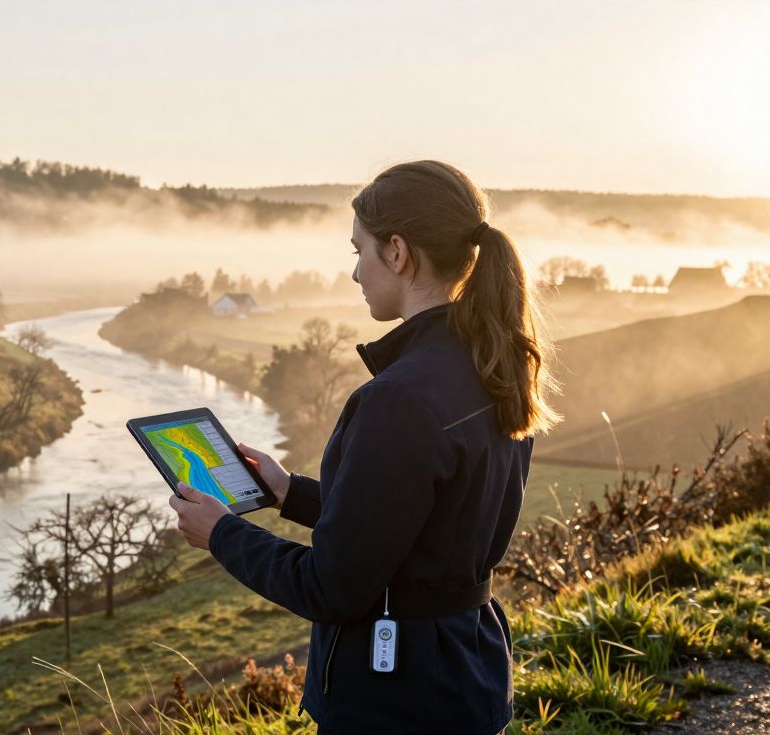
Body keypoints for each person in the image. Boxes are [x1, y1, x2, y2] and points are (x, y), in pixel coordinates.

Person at [169, 160, 560, 734]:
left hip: (395, 699)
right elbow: (416, 525)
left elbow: (331, 587)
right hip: (467, 673)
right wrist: (288, 493)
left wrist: (221, 533)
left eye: (358, 251)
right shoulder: (493, 365)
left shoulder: (399, 399)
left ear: (398, 253)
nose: (354, 273)